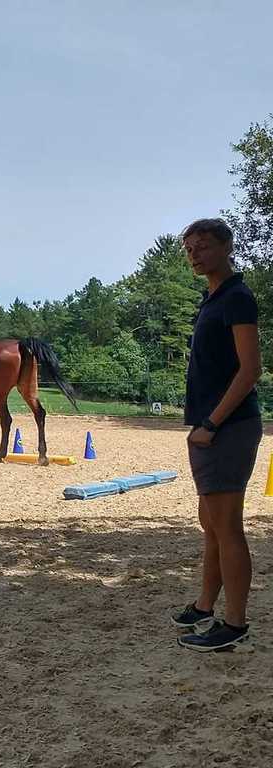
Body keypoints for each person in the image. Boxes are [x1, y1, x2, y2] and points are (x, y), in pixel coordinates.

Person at [173, 218, 263, 652]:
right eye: (190, 248)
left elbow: (251, 370)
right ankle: (205, 606)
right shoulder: (211, 299)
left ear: (227, 246)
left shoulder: (237, 298)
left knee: (227, 529)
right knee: (210, 524)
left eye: (204, 245)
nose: (195, 254)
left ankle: (235, 625)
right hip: (209, 428)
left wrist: (211, 424)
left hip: (228, 427)